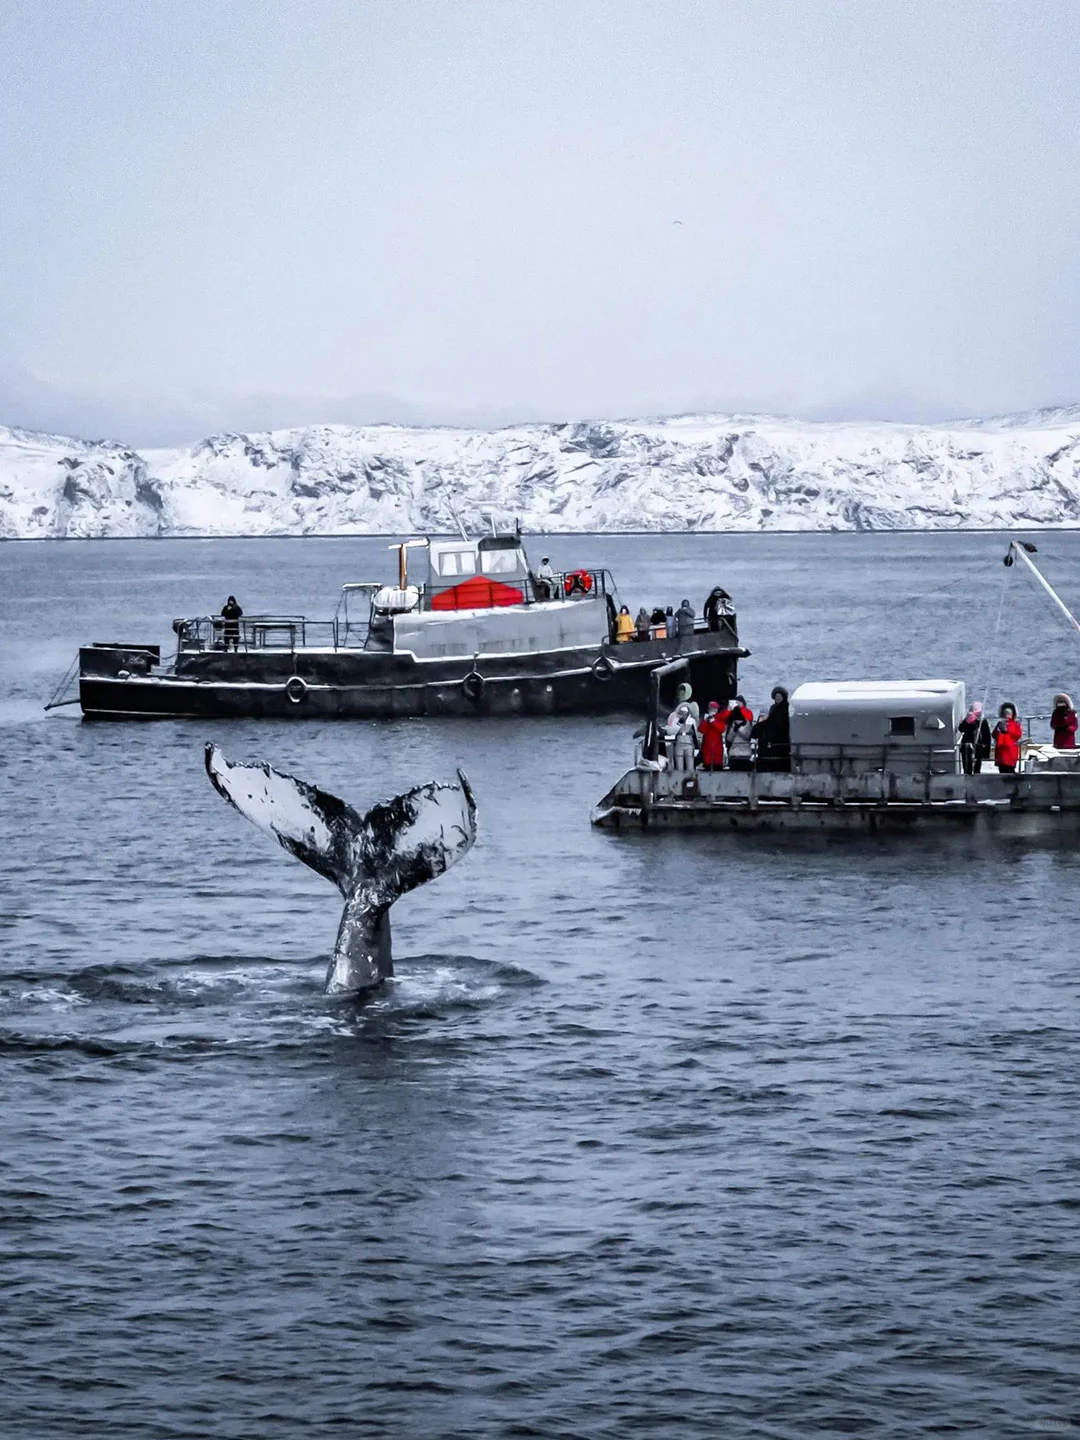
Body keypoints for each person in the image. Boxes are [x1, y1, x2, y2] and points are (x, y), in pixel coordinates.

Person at [752, 686, 791, 771]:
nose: (777, 698)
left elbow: (779, 723)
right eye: (776, 696)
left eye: (779, 696)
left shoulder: (786, 708)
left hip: (780, 740)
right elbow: (770, 722)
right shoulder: (773, 708)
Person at [957, 701, 992, 775]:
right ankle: (967, 779)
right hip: (967, 747)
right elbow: (961, 729)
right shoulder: (967, 720)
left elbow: (987, 736)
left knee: (977, 767)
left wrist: (986, 751)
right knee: (967, 767)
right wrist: (967, 721)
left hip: (978, 747)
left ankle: (976, 779)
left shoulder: (983, 721)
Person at [720, 695, 754, 771]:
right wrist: (729, 710)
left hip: (743, 750)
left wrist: (738, 726)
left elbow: (747, 735)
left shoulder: (747, 713)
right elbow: (723, 718)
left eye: (738, 702)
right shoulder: (731, 715)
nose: (737, 703)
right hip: (733, 750)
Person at [666, 703, 698, 772]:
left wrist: (696, 747)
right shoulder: (676, 720)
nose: (683, 715)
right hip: (679, 743)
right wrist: (679, 724)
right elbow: (671, 732)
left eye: (684, 713)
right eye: (681, 713)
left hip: (689, 743)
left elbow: (695, 734)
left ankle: (691, 778)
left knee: (690, 763)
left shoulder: (692, 721)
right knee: (679, 764)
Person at [993, 702, 1023, 774]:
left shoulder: (1016, 724)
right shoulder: (999, 724)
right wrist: (998, 731)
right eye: (1005, 714)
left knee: (1010, 769)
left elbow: (1018, 735)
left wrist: (1007, 731)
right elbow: (994, 735)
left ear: (1012, 715)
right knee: (1002, 770)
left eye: (1009, 714)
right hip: (1001, 751)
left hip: (1010, 751)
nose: (1007, 716)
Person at [699, 700, 726, 770]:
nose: (713, 710)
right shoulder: (706, 718)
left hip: (717, 748)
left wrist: (713, 722)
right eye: (711, 709)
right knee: (708, 766)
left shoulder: (720, 718)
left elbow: (722, 729)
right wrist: (706, 721)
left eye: (714, 709)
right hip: (707, 748)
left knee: (717, 766)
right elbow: (701, 730)